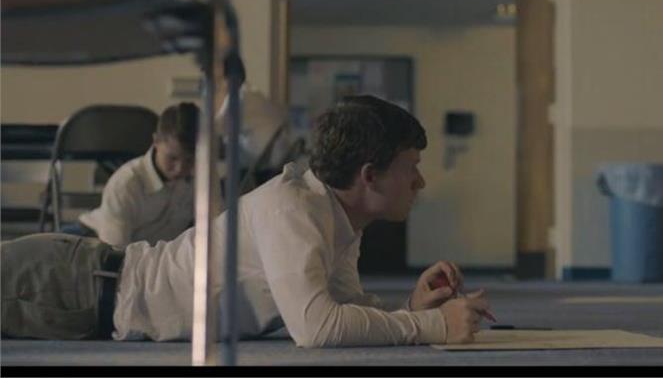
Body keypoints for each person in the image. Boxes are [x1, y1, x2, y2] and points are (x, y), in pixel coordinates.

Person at [2, 95, 491, 346]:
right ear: (369, 176)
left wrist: (410, 307)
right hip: (71, 285)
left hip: (84, 298)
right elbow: (317, 329)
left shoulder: (336, 219)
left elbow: (339, 308)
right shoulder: (293, 208)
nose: (420, 182)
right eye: (411, 167)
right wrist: (431, 325)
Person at [62, 102, 199, 248]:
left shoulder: (200, 179)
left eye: (189, 160)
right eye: (172, 158)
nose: (179, 169)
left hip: (146, 249)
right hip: (92, 240)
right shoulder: (126, 184)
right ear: (156, 141)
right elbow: (115, 252)